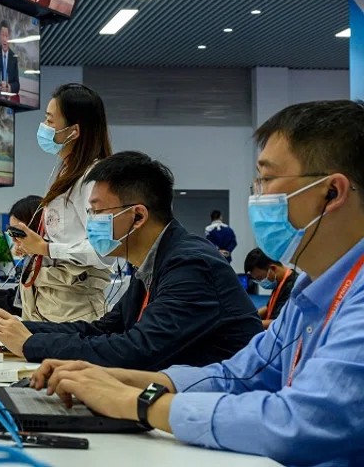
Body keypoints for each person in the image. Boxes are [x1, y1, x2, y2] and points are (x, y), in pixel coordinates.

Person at [27, 100, 364, 467]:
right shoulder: (310, 292)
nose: (257, 194)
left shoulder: (190, 262)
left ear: (332, 192)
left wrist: (140, 403)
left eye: (266, 179)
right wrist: (111, 379)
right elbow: (240, 375)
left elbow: (300, 422)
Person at [0, 151, 262, 366]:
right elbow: (104, 329)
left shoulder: (190, 265)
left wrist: (30, 344)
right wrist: (17, 327)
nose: (90, 222)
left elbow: (137, 350)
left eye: (96, 212)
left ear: (137, 216)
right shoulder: (153, 262)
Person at [0, 84, 116, 324]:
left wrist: (46, 249)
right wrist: (35, 248)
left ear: (74, 131)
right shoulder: (67, 173)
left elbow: (104, 250)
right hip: (48, 301)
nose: (44, 128)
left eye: (50, 121)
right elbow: (66, 240)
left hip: (74, 308)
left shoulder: (95, 179)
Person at [244, 248, 297, 329]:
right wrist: (250, 317)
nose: (260, 282)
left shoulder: (293, 287)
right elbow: (269, 308)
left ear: (273, 268)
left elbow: (280, 322)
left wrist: (250, 325)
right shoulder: (280, 282)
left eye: (260, 278)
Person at [0, 21, 20, 94]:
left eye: (7, 35)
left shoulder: (14, 57)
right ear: (0, 35)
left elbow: (17, 85)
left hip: (10, 97)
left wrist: (8, 87)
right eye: (3, 35)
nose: (4, 39)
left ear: (10, 36)